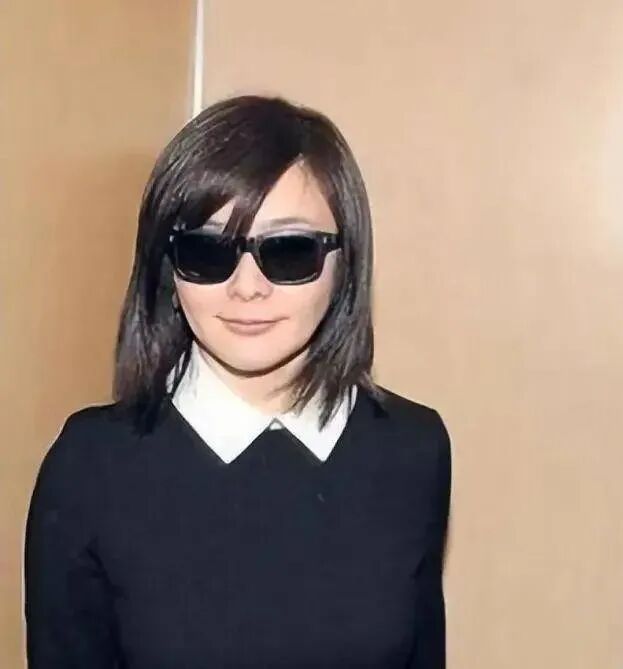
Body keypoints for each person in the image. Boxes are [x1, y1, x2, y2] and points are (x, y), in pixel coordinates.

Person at [25, 96, 450, 668]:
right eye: (207, 251)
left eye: (290, 251)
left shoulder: (412, 448)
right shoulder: (91, 467)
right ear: (168, 269)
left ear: (345, 263)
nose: (247, 287)